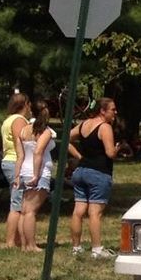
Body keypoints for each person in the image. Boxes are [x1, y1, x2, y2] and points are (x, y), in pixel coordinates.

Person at [69, 97, 122, 258]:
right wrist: (118, 148)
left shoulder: (84, 124)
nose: (115, 112)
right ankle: (97, 249)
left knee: (78, 211)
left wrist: (79, 156)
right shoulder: (105, 127)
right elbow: (110, 153)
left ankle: (76, 247)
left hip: (81, 171)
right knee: (95, 213)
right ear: (102, 111)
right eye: (112, 109)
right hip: (98, 173)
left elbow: (66, 139)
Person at [16, 102, 58, 251]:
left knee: (24, 209)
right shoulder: (45, 132)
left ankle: (24, 245)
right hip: (38, 172)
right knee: (31, 211)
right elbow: (38, 152)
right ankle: (32, 245)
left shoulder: (23, 130)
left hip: (24, 170)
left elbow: (20, 155)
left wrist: (17, 175)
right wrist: (36, 174)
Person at [0, 92, 33, 248]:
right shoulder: (19, 120)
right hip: (16, 162)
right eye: (29, 104)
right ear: (25, 104)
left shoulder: (8, 120)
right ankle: (11, 241)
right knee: (18, 204)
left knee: (18, 200)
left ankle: (18, 239)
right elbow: (23, 141)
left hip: (9, 160)